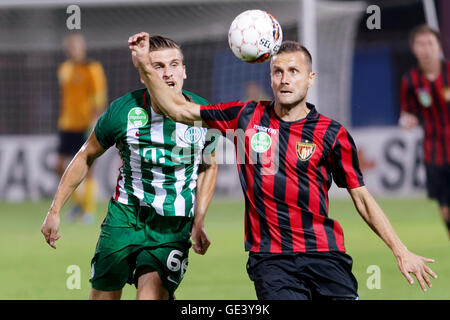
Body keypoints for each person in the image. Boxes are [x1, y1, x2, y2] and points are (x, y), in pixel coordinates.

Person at [129, 32, 438, 300]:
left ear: (310, 78)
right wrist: (146, 65)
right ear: (270, 78)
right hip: (271, 260)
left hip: (326, 254)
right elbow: (179, 108)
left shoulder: (333, 133)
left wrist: (401, 250)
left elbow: (363, 199)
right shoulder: (245, 117)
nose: (285, 78)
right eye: (278, 72)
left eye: (294, 71)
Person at [41, 35, 218, 300]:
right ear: (144, 75)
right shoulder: (123, 112)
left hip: (171, 225)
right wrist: (54, 210)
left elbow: (209, 165)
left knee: (150, 294)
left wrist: (200, 218)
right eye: (158, 66)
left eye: (174, 65)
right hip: (124, 217)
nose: (168, 73)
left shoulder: (203, 113)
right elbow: (84, 156)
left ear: (184, 71)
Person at [399, 24, 450, 239]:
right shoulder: (410, 81)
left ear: (438, 46)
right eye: (421, 44)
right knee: (446, 211)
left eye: (430, 43)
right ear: (414, 48)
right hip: (435, 153)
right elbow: (406, 113)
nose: (426, 49)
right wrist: (406, 120)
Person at [56, 32, 107, 224]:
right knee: (60, 166)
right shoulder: (64, 69)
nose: (74, 50)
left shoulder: (92, 68)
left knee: (88, 167)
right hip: (66, 124)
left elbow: (99, 97)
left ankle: (89, 211)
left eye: (77, 46)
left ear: (83, 48)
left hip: (86, 124)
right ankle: (78, 202)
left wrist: (96, 120)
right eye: (70, 47)